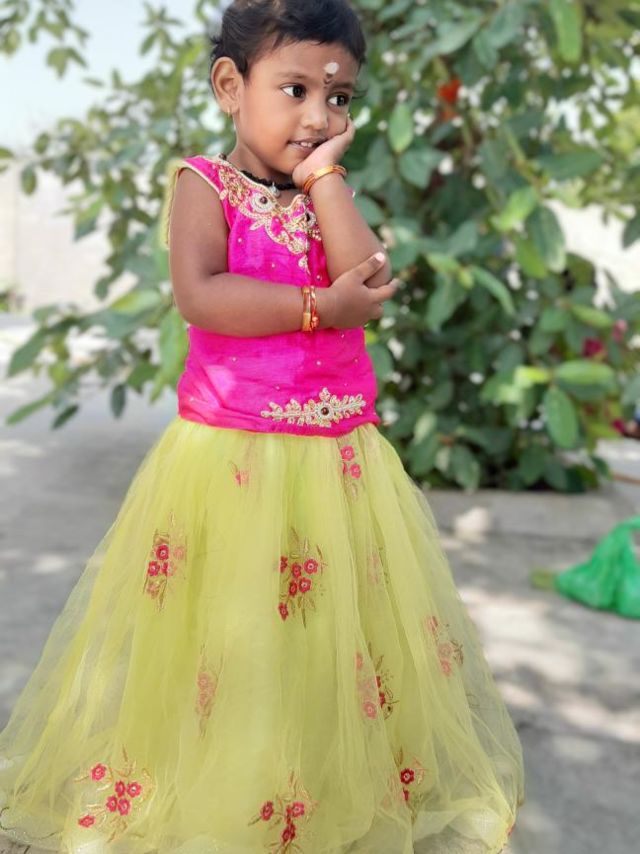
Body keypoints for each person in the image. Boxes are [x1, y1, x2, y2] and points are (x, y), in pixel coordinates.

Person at [0, 1, 525, 852]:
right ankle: (237, 786)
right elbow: (202, 294)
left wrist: (325, 180)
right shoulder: (204, 185)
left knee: (331, 635)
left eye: (340, 97)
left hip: (339, 460)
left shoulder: (323, 188)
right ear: (229, 86)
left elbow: (365, 276)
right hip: (234, 456)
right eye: (296, 89)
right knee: (239, 634)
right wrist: (319, 306)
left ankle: (317, 780)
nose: (319, 115)